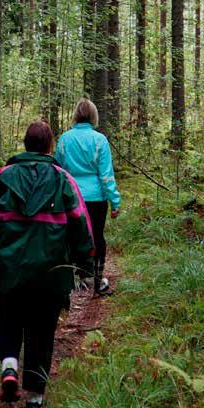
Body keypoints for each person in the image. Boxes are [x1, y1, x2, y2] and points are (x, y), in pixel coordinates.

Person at [0, 120, 94, 408]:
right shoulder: (63, 179)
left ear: (26, 145)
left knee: (7, 319)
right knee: (42, 331)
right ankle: (35, 403)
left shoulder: (2, 176)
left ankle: (10, 368)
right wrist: (85, 261)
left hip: (7, 268)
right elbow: (80, 221)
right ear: (49, 146)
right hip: (50, 273)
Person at [55, 98, 121, 296]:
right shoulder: (99, 140)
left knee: (72, 237)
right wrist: (115, 201)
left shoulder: (65, 139)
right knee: (97, 237)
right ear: (94, 116)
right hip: (95, 198)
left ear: (76, 115)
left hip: (71, 197)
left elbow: (58, 170)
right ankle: (98, 282)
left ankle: (75, 280)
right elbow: (106, 175)